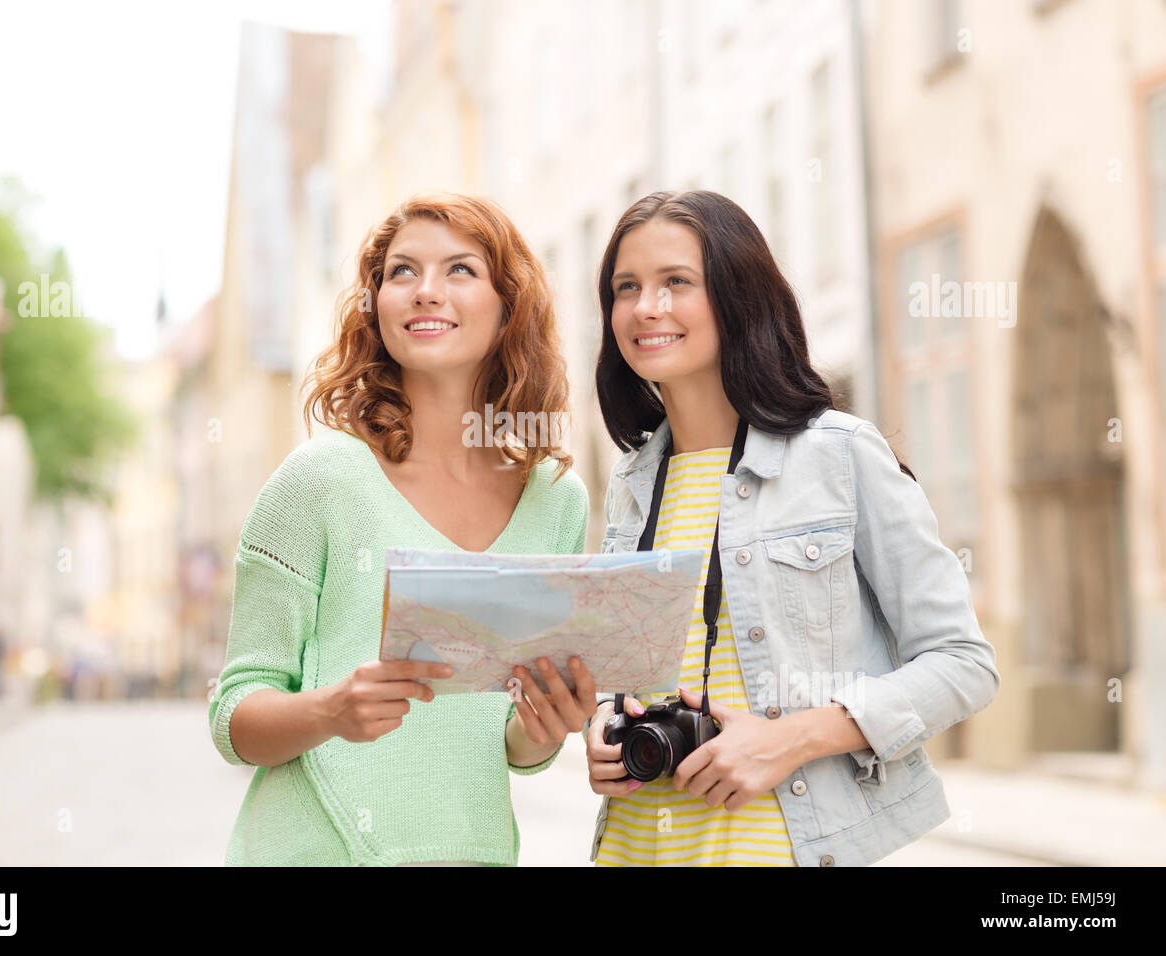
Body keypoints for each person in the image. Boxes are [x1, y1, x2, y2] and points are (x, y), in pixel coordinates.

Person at [582, 190, 1001, 866]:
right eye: (625, 288)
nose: (644, 308)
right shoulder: (632, 483)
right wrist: (603, 726)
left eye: (675, 283)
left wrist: (794, 738)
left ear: (736, 295)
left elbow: (964, 664)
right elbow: (625, 678)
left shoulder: (839, 454)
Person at [208, 192, 599, 866]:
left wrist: (546, 726)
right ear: (376, 305)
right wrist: (330, 711)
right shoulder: (320, 480)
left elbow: (509, 742)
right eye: (401, 273)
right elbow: (234, 715)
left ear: (509, 304)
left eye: (459, 271)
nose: (425, 292)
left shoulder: (556, 502)